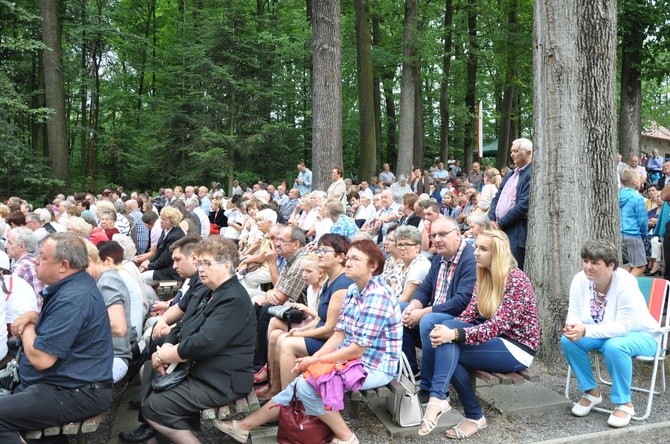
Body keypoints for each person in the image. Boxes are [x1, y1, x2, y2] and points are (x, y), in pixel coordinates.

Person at [214, 239, 402, 444]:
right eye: (347, 259)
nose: (347, 263)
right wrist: (316, 359)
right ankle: (244, 427)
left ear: (372, 266)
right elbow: (339, 335)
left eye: (355, 259)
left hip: (375, 366)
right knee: (301, 383)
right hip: (354, 359)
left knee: (306, 385)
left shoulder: (377, 296)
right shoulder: (354, 290)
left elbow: (356, 349)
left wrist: (314, 361)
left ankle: (347, 437)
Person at [418, 229, 539, 439]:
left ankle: (447, 402)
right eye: (476, 247)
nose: (476, 252)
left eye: (483, 249)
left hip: (517, 347)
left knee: (448, 344)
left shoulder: (516, 280)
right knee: (445, 338)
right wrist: (445, 330)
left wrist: (454, 334)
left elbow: (495, 326)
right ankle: (452, 406)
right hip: (495, 340)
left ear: (498, 253)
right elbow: (468, 315)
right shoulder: (483, 274)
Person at [135, 238, 256, 443]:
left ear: (227, 265)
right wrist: (165, 348)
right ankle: (163, 433)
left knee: (155, 406)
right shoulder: (212, 291)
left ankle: (169, 431)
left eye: (207, 263)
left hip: (224, 380)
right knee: (148, 370)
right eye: (199, 263)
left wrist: (165, 355)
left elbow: (203, 342)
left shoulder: (233, 298)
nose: (201, 269)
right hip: (206, 370)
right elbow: (184, 325)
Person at [0, 233, 113, 443]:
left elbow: (41, 359)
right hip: (67, 385)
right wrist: (35, 317)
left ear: (63, 265)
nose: (35, 260)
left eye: (42, 257)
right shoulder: (73, 287)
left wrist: (27, 326)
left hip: (76, 392)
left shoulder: (73, 297)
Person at [561, 240, 659, 428]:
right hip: (603, 334)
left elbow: (622, 328)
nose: (587, 267)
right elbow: (573, 314)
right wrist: (572, 328)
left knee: (614, 345)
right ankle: (591, 392)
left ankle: (624, 403)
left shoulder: (625, 283)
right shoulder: (580, 279)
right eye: (586, 261)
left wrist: (586, 330)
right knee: (568, 341)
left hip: (642, 335)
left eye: (595, 263)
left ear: (611, 266)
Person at [401, 216, 476, 378]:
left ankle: (429, 385)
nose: (437, 240)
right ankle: (410, 371)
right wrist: (413, 306)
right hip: (436, 312)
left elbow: (462, 302)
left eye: (442, 234)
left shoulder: (470, 259)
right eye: (433, 236)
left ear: (457, 234)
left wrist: (422, 313)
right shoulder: (438, 258)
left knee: (429, 321)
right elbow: (425, 289)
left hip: (460, 318)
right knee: (401, 309)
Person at [488, 138, 533, 270]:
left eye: (516, 151)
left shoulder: (531, 174)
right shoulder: (510, 174)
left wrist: (500, 224)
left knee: (512, 270)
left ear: (528, 152)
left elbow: (523, 205)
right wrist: (491, 218)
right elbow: (497, 197)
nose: (512, 154)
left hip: (515, 232)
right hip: (499, 229)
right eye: (511, 151)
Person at [139, 206, 186, 287]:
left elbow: (166, 259)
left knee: (140, 279)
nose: (161, 221)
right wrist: (148, 262)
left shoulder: (175, 236)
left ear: (172, 221)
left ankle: (152, 299)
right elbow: (159, 252)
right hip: (163, 267)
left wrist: (148, 266)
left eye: (164, 219)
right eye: (161, 218)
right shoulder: (166, 230)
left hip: (171, 271)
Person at [619, 168, 648, 276]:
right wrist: (644, 235)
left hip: (620, 234)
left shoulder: (616, 196)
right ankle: (626, 287)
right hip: (633, 234)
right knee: (640, 266)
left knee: (627, 265)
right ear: (634, 181)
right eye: (639, 178)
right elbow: (642, 220)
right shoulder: (637, 198)